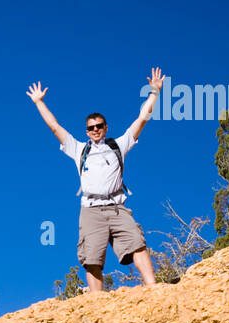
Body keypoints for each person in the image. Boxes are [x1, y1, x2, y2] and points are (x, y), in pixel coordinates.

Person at [27, 70, 165, 291]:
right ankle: (96, 304)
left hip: (117, 208)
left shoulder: (118, 145)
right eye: (91, 128)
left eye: (99, 126)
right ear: (87, 131)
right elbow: (55, 127)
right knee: (92, 258)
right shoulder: (79, 149)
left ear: (106, 127)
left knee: (137, 244)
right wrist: (39, 102)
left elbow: (142, 119)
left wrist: (155, 92)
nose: (95, 130)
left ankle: (155, 289)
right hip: (90, 209)